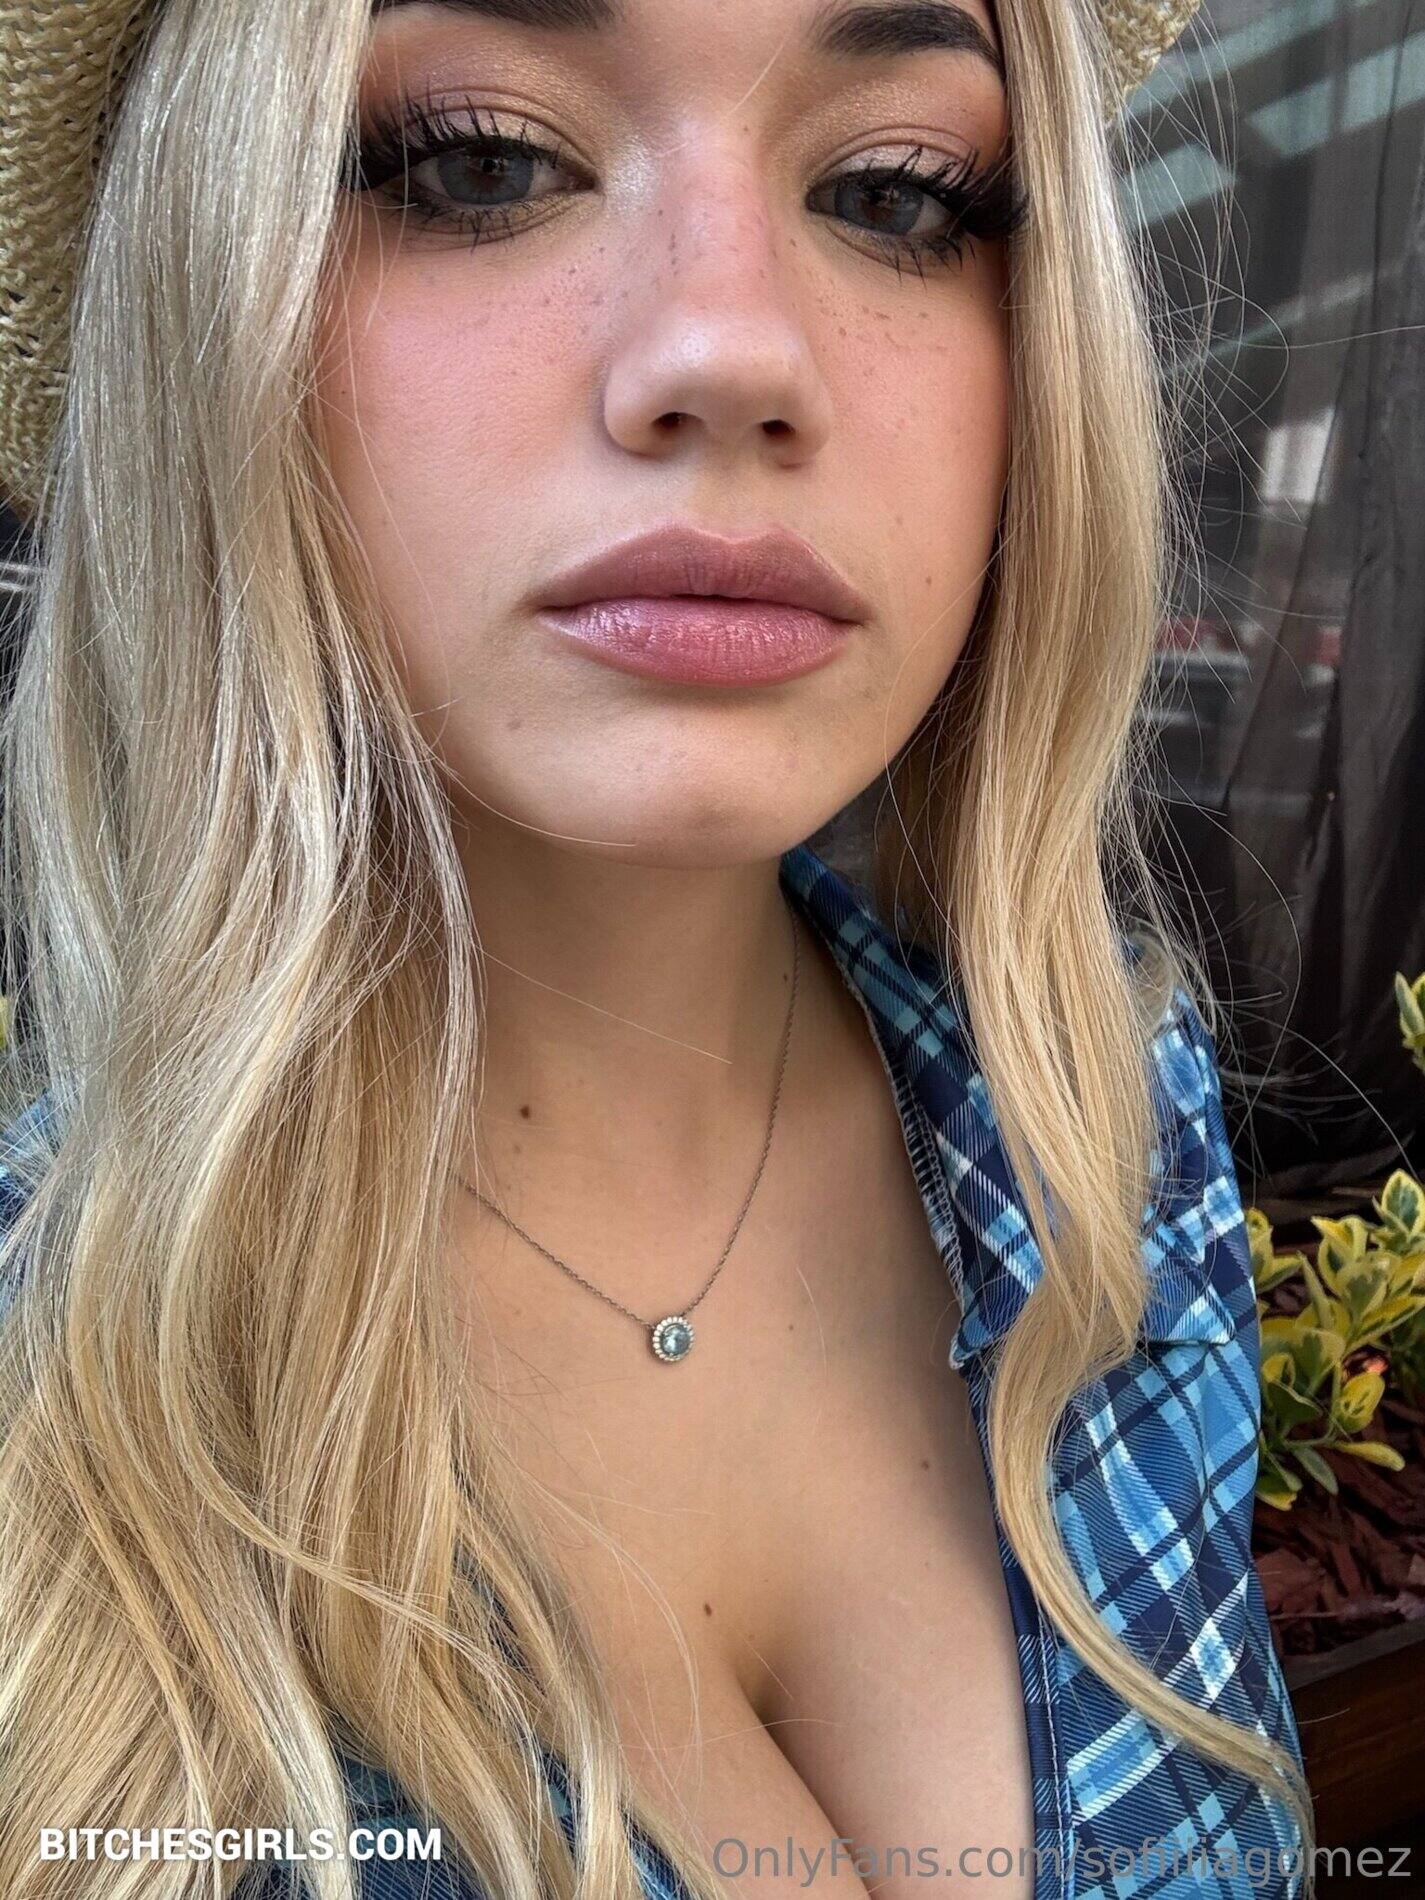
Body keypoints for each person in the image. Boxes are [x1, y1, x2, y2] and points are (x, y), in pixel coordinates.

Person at [0, 0, 1313, 1896]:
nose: (731, 350)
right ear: (200, 294)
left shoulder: (1103, 1134)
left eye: (896, 190)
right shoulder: (45, 1409)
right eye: (479, 159)